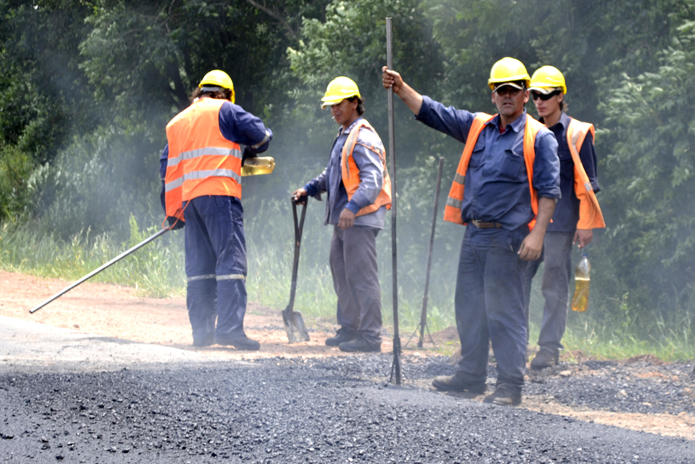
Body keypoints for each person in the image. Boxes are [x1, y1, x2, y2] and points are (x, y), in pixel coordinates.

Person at [382, 58, 560, 406]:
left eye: (513, 90)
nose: (506, 96)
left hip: (508, 239)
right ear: (493, 95)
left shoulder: (539, 137)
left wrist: (537, 235)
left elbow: (550, 191)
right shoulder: (479, 127)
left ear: (525, 94)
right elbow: (435, 113)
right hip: (474, 234)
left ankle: (510, 385)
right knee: (469, 306)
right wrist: (401, 88)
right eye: (500, 90)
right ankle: (471, 374)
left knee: (504, 312)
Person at [161, 70, 272, 351]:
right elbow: (260, 135)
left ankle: (202, 334)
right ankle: (230, 330)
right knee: (230, 261)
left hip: (190, 201)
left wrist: (173, 211)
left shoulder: (178, 121)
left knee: (200, 268)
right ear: (225, 94)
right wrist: (249, 148)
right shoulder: (226, 110)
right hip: (220, 194)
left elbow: (167, 168)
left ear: (200, 92)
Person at [291, 76, 391, 353]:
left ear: (355, 103)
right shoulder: (346, 134)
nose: (334, 110)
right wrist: (309, 188)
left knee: (362, 277)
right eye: (331, 106)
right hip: (345, 220)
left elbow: (372, 181)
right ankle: (350, 328)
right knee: (342, 273)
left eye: (339, 104)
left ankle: (370, 337)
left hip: (359, 218)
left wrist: (351, 207)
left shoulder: (364, 136)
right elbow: (333, 174)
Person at [523, 66, 605, 370]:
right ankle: (514, 344)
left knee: (553, 287)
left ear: (560, 96)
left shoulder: (577, 133)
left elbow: (588, 184)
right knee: (517, 281)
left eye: (546, 96)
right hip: (531, 225)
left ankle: (548, 349)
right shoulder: (530, 130)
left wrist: (585, 225)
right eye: (534, 96)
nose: (539, 102)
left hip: (562, 225)